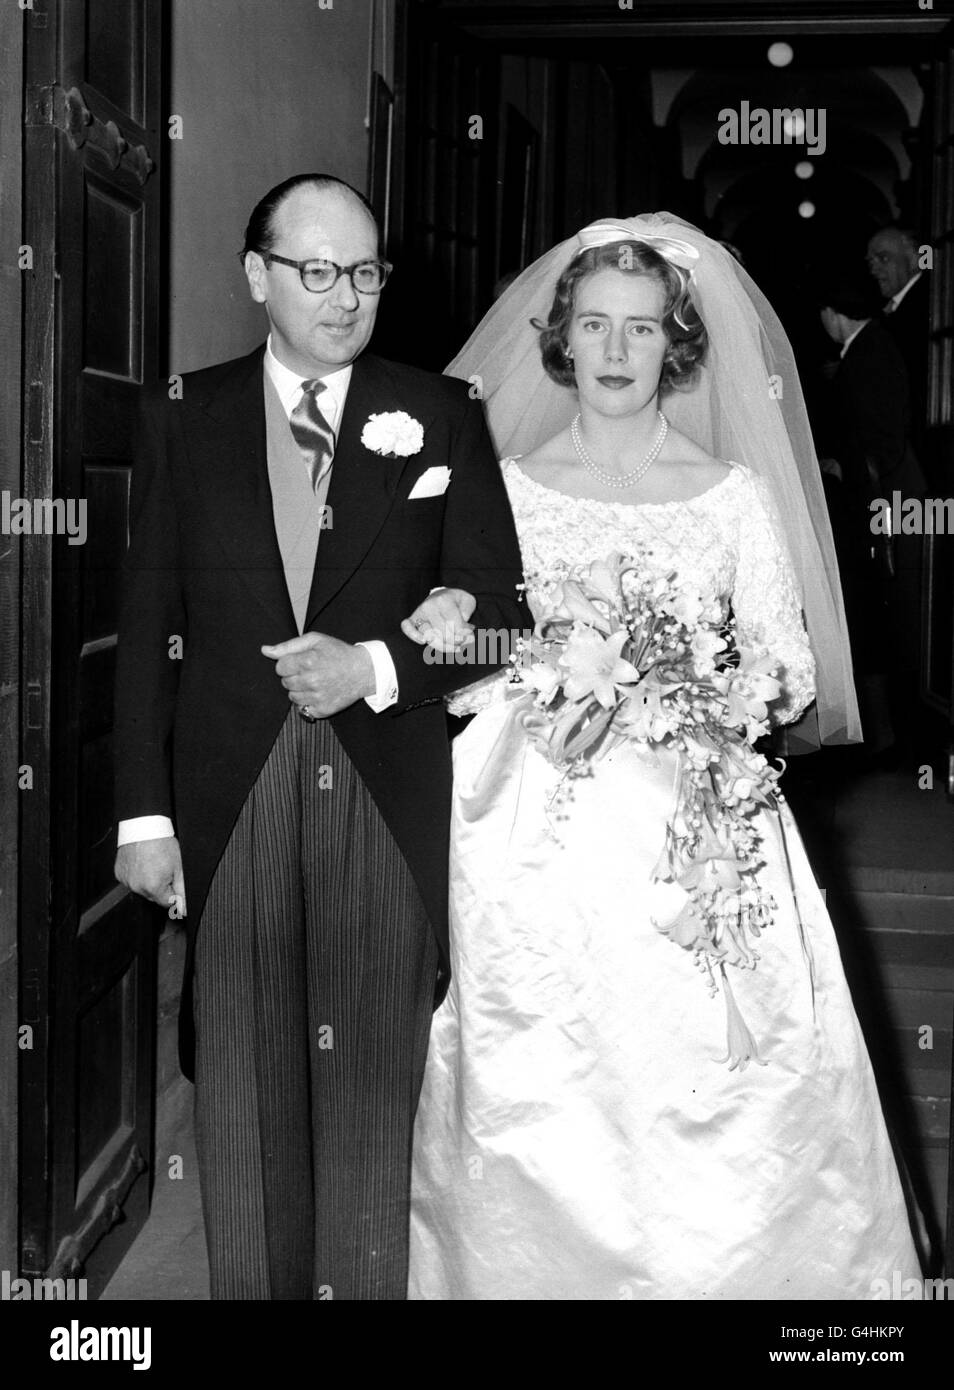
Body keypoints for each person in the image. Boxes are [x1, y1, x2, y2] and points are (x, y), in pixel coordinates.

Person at [402, 216, 922, 1300]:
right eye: (593, 324)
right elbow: (472, 648)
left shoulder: (732, 493)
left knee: (713, 1072)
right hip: (536, 805)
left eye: (642, 327)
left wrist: (713, 702)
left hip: (697, 809)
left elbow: (788, 667)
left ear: (678, 343)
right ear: (560, 339)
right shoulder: (502, 479)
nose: (615, 349)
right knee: (542, 1061)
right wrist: (545, 680)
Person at [112, 173, 526, 1300]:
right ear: (258, 277)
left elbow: (502, 616)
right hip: (229, 788)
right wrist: (143, 816)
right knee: (239, 1087)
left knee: (366, 1100)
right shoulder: (182, 414)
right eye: (317, 270)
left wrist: (378, 666)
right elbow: (146, 625)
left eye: (365, 271)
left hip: (383, 789)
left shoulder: (442, 411)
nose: (346, 296)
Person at [818, 275, 926, 763]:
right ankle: (882, 732)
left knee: (882, 612)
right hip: (875, 499)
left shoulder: (870, 352)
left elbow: (882, 436)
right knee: (875, 613)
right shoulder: (867, 349)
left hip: (880, 505)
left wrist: (850, 469)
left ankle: (889, 734)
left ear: (833, 312)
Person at [866, 225, 930, 472]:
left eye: (883, 258)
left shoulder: (924, 304)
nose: (874, 268)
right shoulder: (892, 309)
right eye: (870, 260)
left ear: (914, 259)